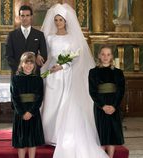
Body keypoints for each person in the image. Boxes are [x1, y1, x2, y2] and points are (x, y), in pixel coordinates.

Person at [41, 3, 109, 158]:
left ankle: (61, 135)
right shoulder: (49, 37)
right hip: (52, 74)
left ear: (66, 21)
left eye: (60, 20)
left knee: (66, 103)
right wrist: (48, 67)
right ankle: (49, 135)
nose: (58, 22)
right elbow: (47, 56)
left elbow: (75, 56)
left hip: (66, 74)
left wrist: (62, 66)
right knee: (51, 103)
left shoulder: (72, 38)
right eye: (56, 20)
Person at [88, 45, 125, 158]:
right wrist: (103, 106)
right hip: (100, 106)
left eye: (108, 54)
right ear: (99, 55)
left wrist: (114, 106)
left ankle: (110, 156)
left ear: (112, 57)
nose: (105, 57)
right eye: (103, 54)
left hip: (114, 104)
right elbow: (92, 91)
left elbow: (121, 90)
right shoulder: (93, 72)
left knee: (112, 134)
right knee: (102, 133)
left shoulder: (118, 72)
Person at [10, 52, 45, 158]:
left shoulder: (38, 79)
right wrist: (22, 112)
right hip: (20, 114)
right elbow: (15, 98)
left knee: (32, 140)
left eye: (31, 63)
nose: (29, 65)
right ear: (21, 64)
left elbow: (39, 98)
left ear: (34, 65)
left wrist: (31, 112)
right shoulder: (15, 79)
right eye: (26, 63)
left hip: (33, 113)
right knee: (21, 141)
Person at [6, 5, 47, 75]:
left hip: (34, 74)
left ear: (31, 17)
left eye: (27, 15)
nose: (25, 18)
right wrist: (19, 69)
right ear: (19, 17)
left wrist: (32, 68)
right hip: (17, 74)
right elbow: (8, 56)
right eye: (22, 15)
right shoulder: (11, 35)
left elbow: (44, 55)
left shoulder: (39, 34)